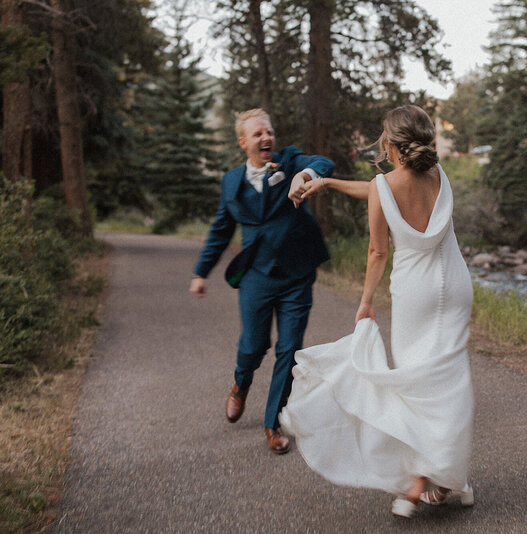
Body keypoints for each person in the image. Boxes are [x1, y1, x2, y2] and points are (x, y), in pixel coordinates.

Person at [280, 105, 475, 517]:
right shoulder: (440, 177)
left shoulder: (386, 185)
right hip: (456, 287)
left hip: (416, 293)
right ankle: (445, 478)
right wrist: (329, 183)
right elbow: (377, 190)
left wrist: (366, 302)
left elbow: (377, 250)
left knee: (412, 382)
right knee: (446, 380)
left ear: (389, 144)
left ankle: (421, 481)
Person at [189, 108, 335, 454]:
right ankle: (241, 385)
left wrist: (306, 175)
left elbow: (323, 162)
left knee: (289, 349)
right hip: (255, 274)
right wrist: (200, 272)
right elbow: (220, 231)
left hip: (296, 273)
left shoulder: (290, 160)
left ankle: (273, 423)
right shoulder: (231, 182)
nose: (266, 138)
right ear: (243, 142)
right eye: (257, 134)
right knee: (254, 345)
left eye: (268, 132)